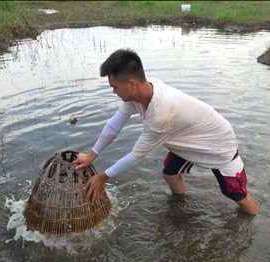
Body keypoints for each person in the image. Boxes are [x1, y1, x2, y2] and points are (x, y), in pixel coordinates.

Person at [73, 48, 258, 215]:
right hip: (186, 136)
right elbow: (115, 125)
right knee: (169, 173)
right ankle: (182, 208)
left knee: (238, 197)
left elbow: (135, 157)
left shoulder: (160, 115)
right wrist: (91, 155)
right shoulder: (144, 88)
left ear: (132, 83)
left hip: (217, 144)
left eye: (114, 87)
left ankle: (253, 223)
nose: (113, 92)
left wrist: (102, 177)